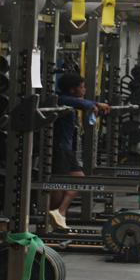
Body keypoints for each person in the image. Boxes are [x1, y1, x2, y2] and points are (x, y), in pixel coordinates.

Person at [47, 71, 114, 231]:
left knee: (79, 180)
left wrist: (93, 105)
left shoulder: (67, 100)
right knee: (59, 184)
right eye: (82, 87)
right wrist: (96, 105)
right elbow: (83, 104)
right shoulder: (61, 100)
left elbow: (82, 103)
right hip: (59, 148)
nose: (84, 90)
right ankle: (54, 215)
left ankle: (59, 213)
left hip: (66, 149)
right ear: (72, 90)